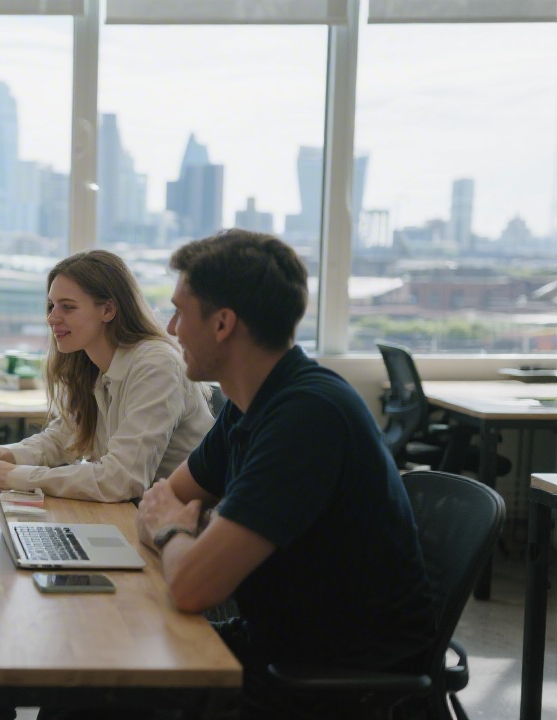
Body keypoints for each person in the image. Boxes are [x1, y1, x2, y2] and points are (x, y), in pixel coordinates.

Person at [134, 229, 437, 718]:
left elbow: (190, 582)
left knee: (100, 692)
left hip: (332, 675)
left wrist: (175, 530)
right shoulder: (249, 402)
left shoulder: (307, 416)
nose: (171, 328)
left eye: (179, 312)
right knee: (104, 673)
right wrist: (179, 530)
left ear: (222, 324)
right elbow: (162, 499)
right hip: (283, 641)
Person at [0, 249, 212, 503]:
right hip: (134, 514)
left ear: (108, 310)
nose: (51, 318)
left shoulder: (156, 366)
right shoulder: (92, 361)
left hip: (178, 524)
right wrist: (8, 455)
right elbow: (64, 438)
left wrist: (15, 476)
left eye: (67, 307)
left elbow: (121, 481)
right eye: (51, 306)